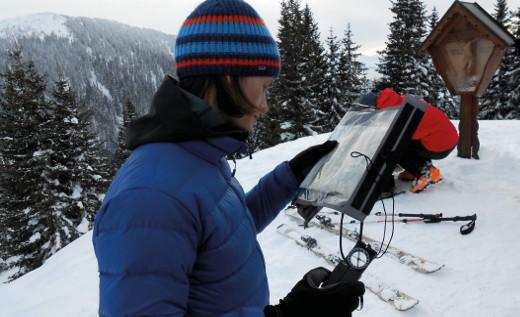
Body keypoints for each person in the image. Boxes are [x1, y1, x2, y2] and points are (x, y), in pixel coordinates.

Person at [92, 1, 365, 316]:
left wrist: (288, 177)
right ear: (226, 78)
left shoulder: (195, 153)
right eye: (263, 88)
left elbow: (225, 229)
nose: (264, 106)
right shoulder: (149, 199)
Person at [358, 88, 459, 193]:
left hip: (439, 144)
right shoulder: (398, 102)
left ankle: (424, 172)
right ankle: (421, 171)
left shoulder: (394, 113)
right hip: (446, 139)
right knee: (403, 143)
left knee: (395, 148)